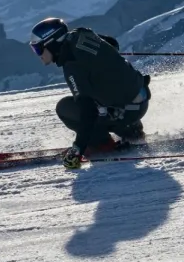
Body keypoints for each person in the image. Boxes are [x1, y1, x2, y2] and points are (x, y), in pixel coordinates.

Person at [29, 17, 151, 169]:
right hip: (141, 98)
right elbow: (113, 43)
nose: (38, 54)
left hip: (127, 111)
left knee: (66, 107)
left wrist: (78, 149)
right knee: (99, 91)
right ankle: (131, 130)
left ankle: (102, 145)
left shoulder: (72, 67)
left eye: (38, 49)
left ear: (51, 43)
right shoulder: (81, 33)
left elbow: (88, 112)